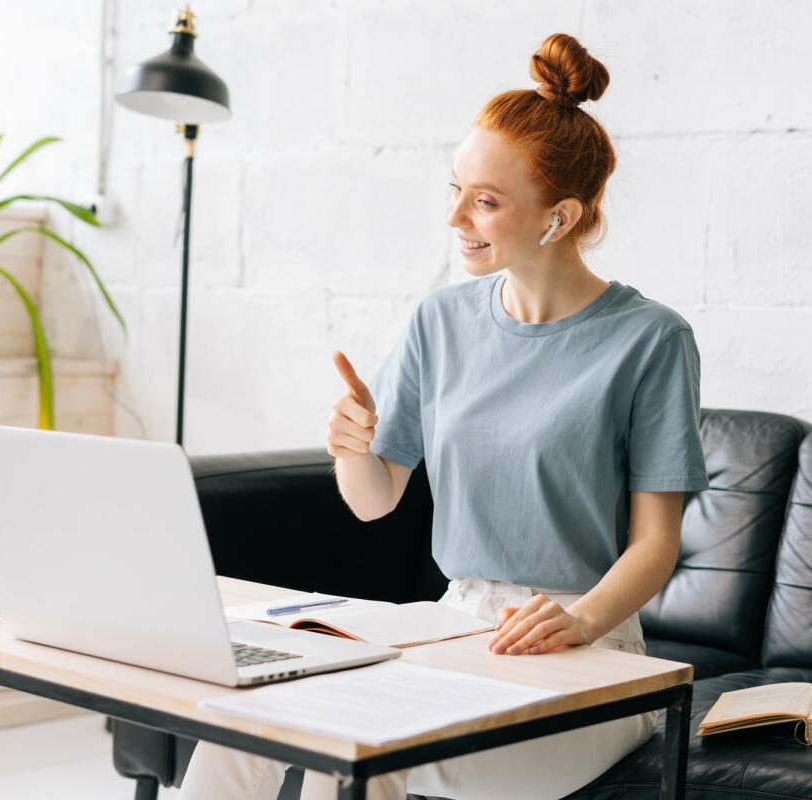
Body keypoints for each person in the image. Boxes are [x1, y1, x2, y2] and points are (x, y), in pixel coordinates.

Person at [178, 32, 709, 800]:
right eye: (455, 188)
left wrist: (582, 620)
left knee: (353, 754)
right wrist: (352, 446)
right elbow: (373, 500)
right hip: (452, 625)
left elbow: (656, 544)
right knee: (242, 729)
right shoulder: (441, 320)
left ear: (558, 218)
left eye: (485, 201)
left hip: (591, 656)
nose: (456, 215)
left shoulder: (650, 339)